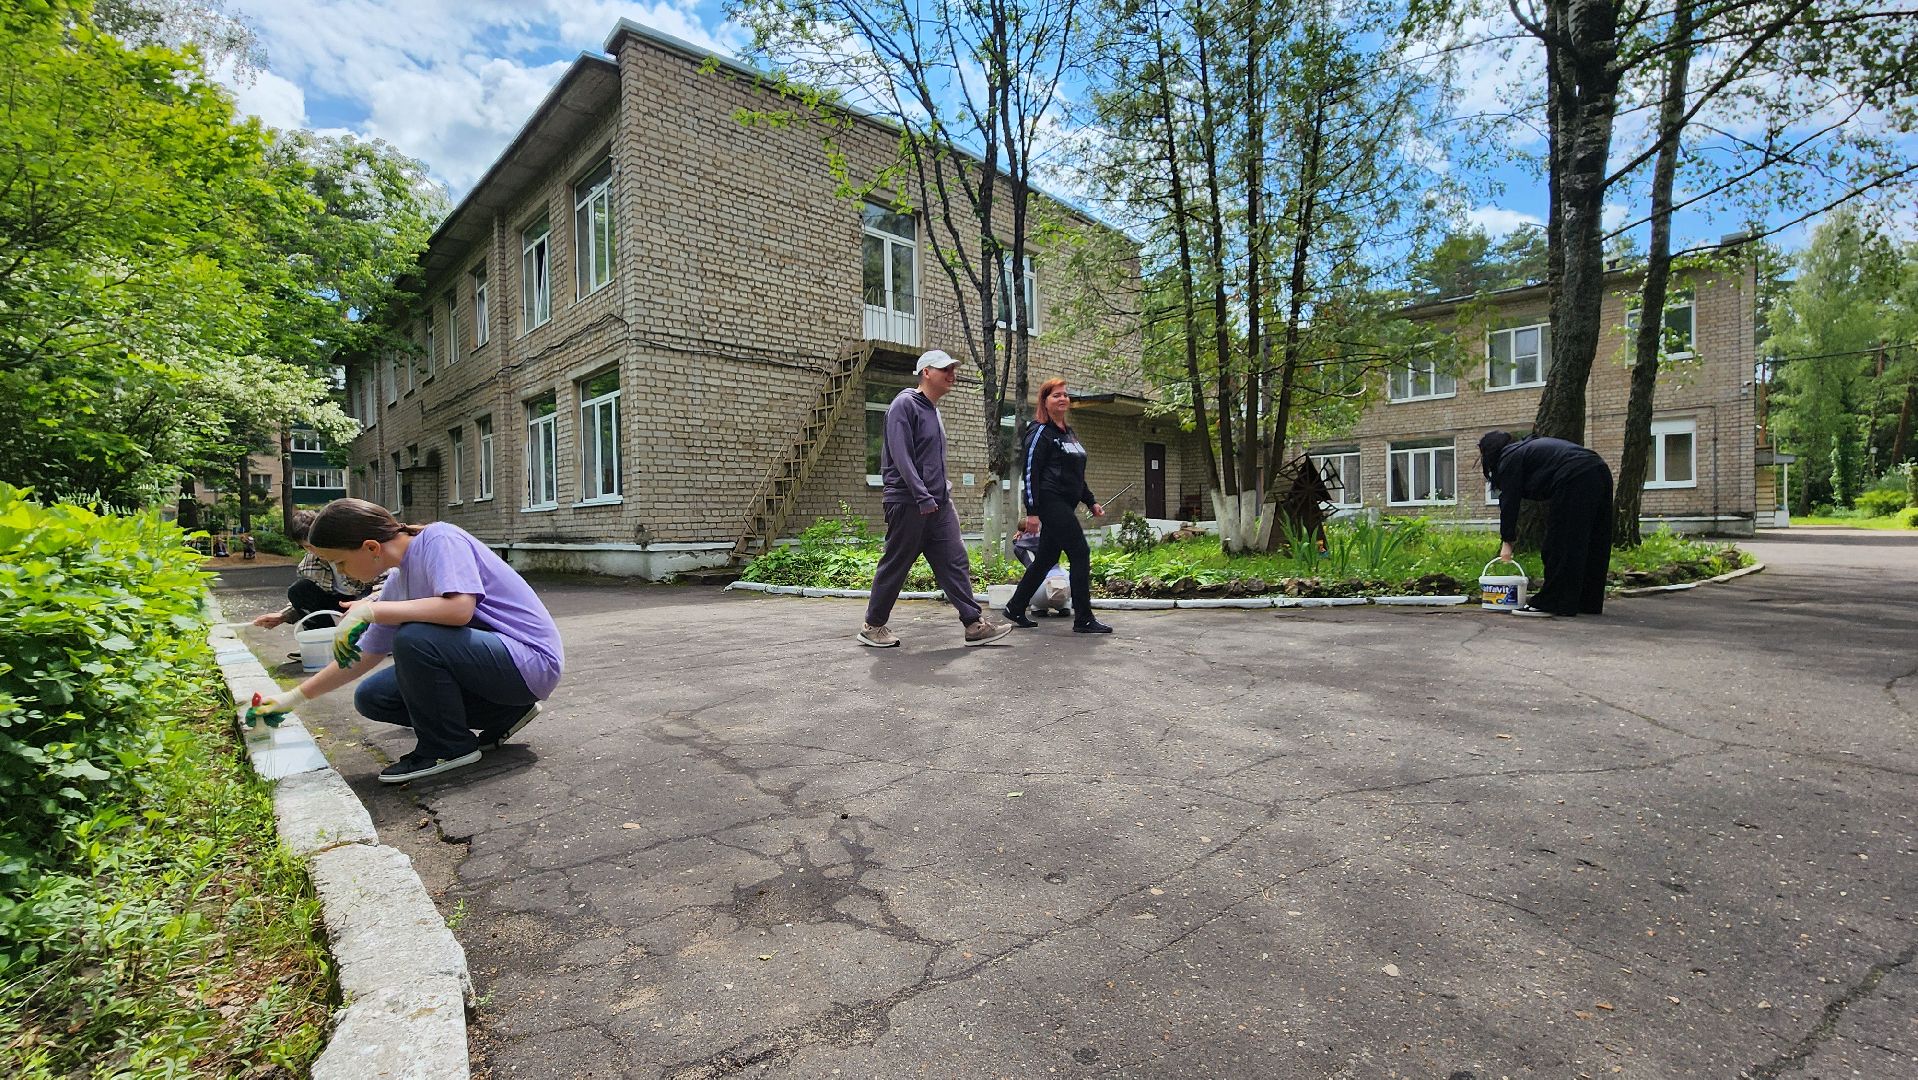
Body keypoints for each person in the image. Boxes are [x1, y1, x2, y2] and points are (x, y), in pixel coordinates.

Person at [243, 498, 565, 783]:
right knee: (373, 696)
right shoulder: (399, 579)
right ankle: (504, 714)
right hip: (498, 671)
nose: (342, 572)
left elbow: (460, 609)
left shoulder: (441, 539)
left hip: (530, 661)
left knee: (414, 639)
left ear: (371, 547)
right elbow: (364, 656)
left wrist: (372, 611)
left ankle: (447, 748)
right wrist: (292, 699)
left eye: (340, 562)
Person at [858, 349, 1013, 649]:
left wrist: (940, 493)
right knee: (897, 563)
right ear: (926, 372)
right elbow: (901, 456)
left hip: (939, 503)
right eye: (945, 369)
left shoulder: (932, 409)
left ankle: (974, 624)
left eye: (953, 369)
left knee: (954, 560)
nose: (952, 375)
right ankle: (872, 625)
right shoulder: (905, 404)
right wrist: (921, 494)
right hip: (909, 502)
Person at [1002, 378, 1111, 634]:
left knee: (1046, 558)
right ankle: (1083, 618)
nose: (1062, 398)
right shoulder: (1040, 431)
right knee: (1080, 552)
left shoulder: (1069, 433)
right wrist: (1032, 511)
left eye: (1065, 395)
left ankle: (1016, 607)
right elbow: (1030, 472)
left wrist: (1090, 500)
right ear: (1045, 401)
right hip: (1050, 501)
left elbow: (1076, 474)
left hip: (1066, 502)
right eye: (1055, 395)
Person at [1478, 430, 1616, 618]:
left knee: (1559, 544)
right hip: (1598, 469)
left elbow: (1509, 503)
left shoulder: (1509, 458)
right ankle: (1586, 601)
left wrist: (1507, 541)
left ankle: (1551, 602)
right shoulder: (1527, 449)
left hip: (1574, 475)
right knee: (1592, 541)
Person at [251, 510, 383, 633]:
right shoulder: (308, 566)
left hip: (368, 597)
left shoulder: (353, 549)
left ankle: (370, 637)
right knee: (299, 590)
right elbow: (310, 602)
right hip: (339, 601)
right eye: (309, 547)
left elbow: (389, 583)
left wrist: (366, 602)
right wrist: (283, 616)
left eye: (317, 544)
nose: (316, 550)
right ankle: (320, 638)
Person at [1012, 524, 1071, 617]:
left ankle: (1039, 608)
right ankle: (1064, 606)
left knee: (1028, 580)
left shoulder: (1020, 546)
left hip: (1041, 588)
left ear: (1020, 532)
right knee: (1064, 572)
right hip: (1065, 585)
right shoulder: (1051, 539)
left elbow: (1030, 565)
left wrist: (1016, 542)